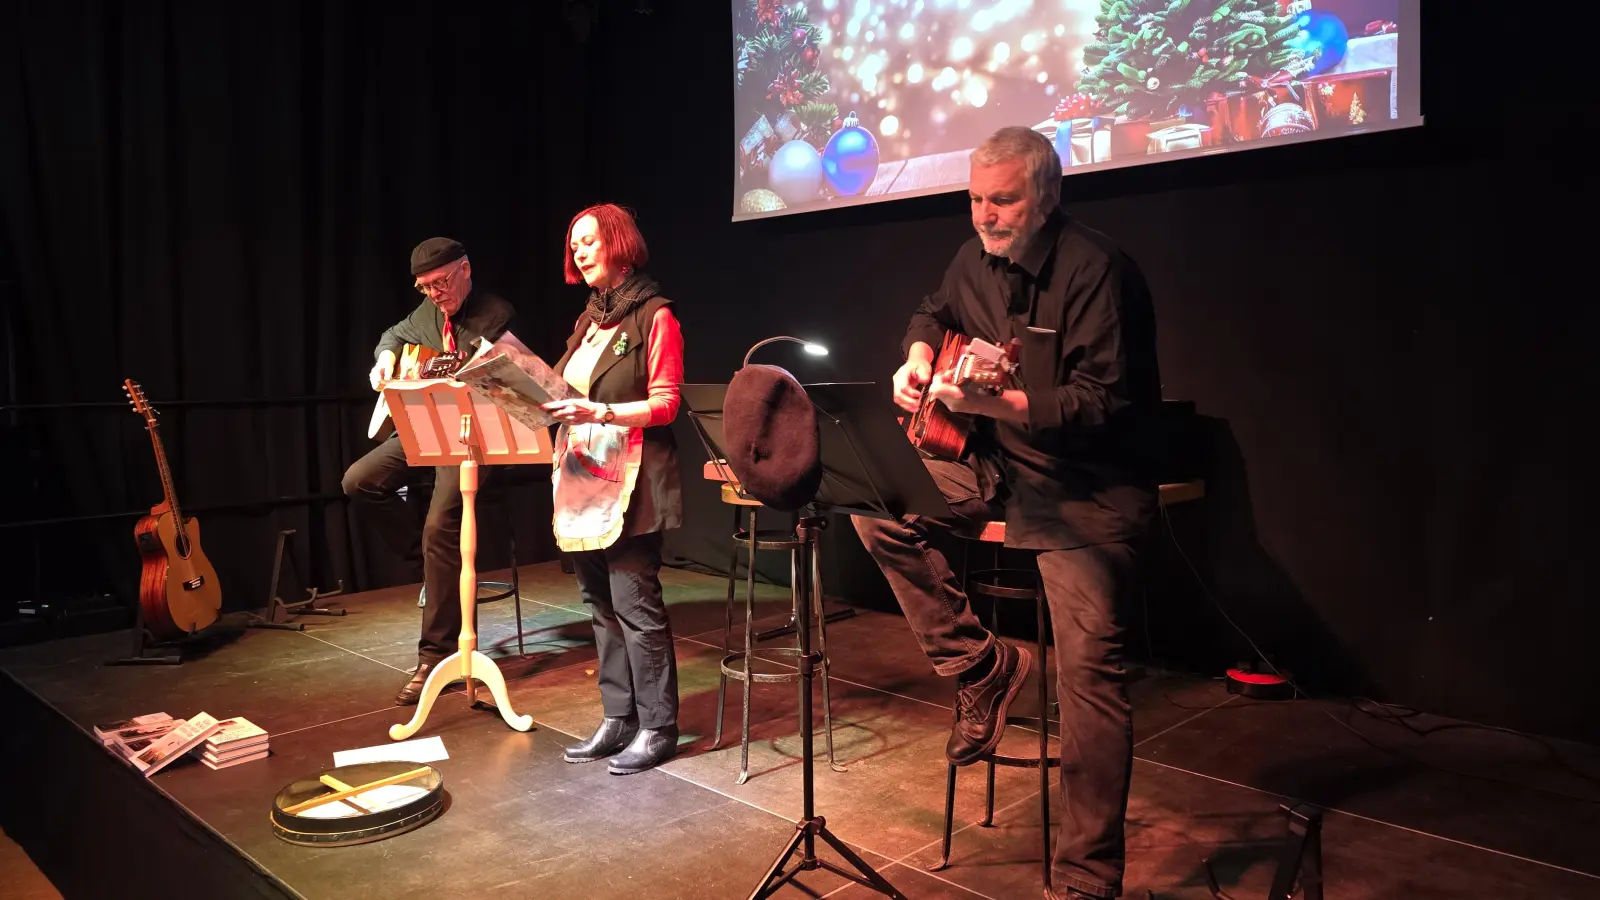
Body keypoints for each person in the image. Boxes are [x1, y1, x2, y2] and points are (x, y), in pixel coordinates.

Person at [851, 126, 1161, 900]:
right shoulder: (973, 259)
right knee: (870, 498)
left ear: (1047, 196)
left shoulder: (1098, 270)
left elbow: (1105, 405)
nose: (986, 215)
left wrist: (998, 399)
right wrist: (918, 355)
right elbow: (933, 310)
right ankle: (980, 663)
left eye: (1004, 200)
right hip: (995, 467)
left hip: (1087, 489)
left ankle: (1088, 880)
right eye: (976, 200)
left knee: (1089, 680)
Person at [341, 237, 525, 705]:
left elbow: (496, 375)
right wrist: (385, 359)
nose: (434, 294)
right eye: (424, 287)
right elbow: (395, 334)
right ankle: (429, 565)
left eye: (440, 283)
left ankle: (435, 656)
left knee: (442, 522)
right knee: (359, 481)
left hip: (473, 431)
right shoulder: (426, 315)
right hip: (427, 423)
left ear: (465, 269)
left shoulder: (494, 313)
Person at [541, 203, 685, 775]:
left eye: (588, 240)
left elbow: (667, 403)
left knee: (634, 605)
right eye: (572, 243)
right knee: (599, 606)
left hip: (633, 481)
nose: (578, 250)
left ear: (619, 243)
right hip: (581, 482)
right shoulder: (589, 320)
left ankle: (658, 726)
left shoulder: (655, 316)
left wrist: (600, 410)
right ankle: (618, 717)